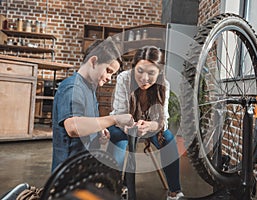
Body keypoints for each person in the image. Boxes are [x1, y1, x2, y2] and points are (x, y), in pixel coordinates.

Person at [107, 46, 184, 200]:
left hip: (149, 128)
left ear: (159, 72)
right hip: (123, 126)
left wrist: (151, 126)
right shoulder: (124, 78)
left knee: (168, 139)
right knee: (117, 139)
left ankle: (175, 191)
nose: (144, 78)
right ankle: (114, 187)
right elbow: (118, 113)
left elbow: (163, 120)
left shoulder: (164, 85)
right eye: (140, 71)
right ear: (134, 67)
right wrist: (129, 127)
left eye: (151, 73)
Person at [51, 37, 134, 172]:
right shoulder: (72, 88)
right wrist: (115, 119)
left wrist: (98, 131)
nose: (109, 78)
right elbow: (73, 127)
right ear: (94, 61)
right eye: (108, 71)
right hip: (68, 175)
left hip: (83, 169)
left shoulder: (89, 88)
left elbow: (84, 123)